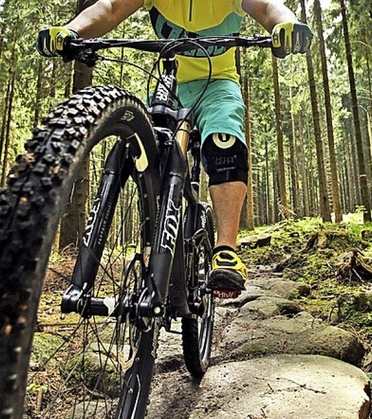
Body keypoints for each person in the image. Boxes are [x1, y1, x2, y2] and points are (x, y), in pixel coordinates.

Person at [37, 0, 312, 292]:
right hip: (168, 86)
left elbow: (269, 7)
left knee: (225, 143)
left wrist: (286, 24)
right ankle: (154, 240)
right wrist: (71, 30)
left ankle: (226, 251)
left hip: (218, 85)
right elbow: (109, 7)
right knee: (142, 147)